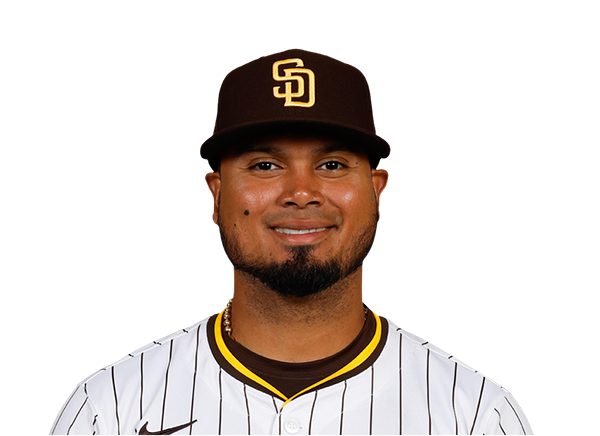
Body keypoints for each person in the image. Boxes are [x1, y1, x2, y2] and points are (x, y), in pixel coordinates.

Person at [50, 48, 533, 436]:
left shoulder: (474, 415)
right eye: (265, 165)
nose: (301, 193)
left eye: (332, 165)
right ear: (216, 196)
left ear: (377, 192)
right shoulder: (110, 408)